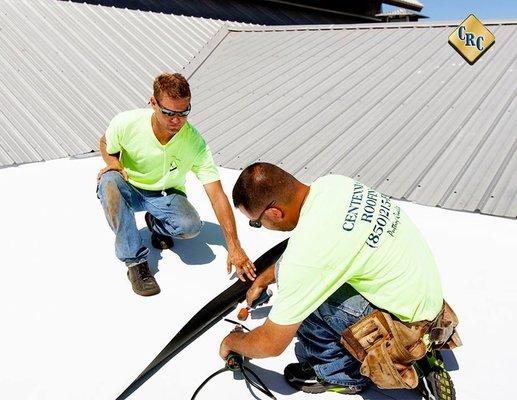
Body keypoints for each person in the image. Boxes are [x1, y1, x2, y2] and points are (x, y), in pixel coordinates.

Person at [219, 162, 450, 395]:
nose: (259, 226)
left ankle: (338, 374)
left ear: (274, 213)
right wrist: (264, 279)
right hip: (430, 306)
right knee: (304, 277)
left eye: (256, 223)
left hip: (405, 328)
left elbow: (270, 343)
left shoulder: (304, 258)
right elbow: (320, 250)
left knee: (305, 300)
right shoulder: (334, 185)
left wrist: (232, 342)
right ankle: (425, 347)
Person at [96, 73, 256, 296]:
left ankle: (156, 222)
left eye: (183, 113)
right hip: (129, 186)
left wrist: (234, 246)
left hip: (164, 194)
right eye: (169, 113)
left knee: (190, 226)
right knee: (108, 182)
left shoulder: (195, 142)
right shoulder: (127, 122)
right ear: (153, 103)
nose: (176, 120)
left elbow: (217, 194)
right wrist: (113, 163)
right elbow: (106, 142)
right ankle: (135, 263)